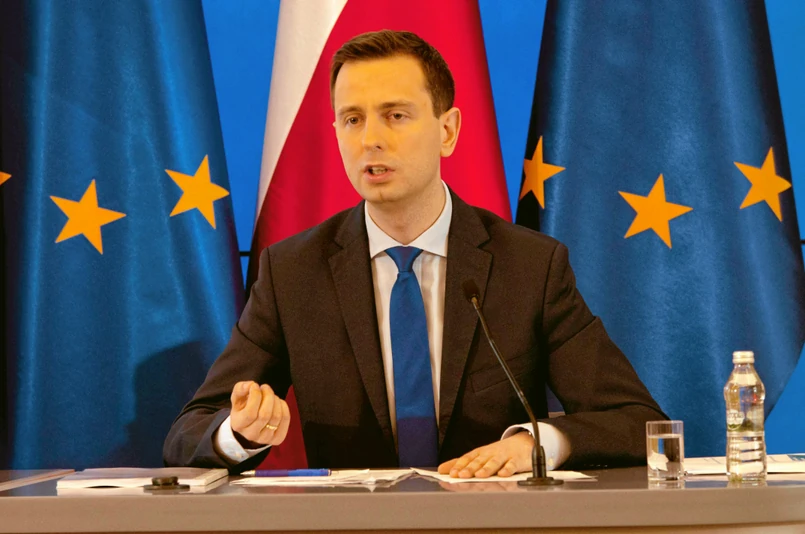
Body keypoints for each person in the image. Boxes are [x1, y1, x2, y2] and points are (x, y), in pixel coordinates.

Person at [164, 30, 665, 477]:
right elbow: (188, 433)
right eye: (352, 119)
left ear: (447, 131)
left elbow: (637, 421)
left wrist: (535, 444)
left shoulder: (529, 267)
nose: (371, 140)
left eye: (395, 116)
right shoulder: (293, 273)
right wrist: (240, 432)